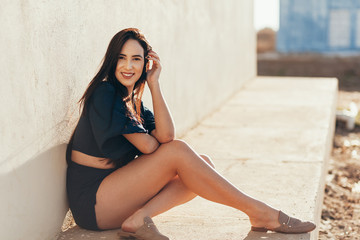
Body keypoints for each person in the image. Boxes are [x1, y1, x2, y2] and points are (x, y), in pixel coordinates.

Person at [66, 28, 316, 239]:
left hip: (114, 195)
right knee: (179, 153)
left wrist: (154, 84)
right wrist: (157, 143)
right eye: (122, 58)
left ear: (146, 64)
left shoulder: (133, 102)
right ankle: (259, 212)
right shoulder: (105, 93)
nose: (129, 66)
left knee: (200, 164)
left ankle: (139, 219)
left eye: (137, 59)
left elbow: (166, 136)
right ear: (112, 61)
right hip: (92, 201)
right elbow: (152, 147)